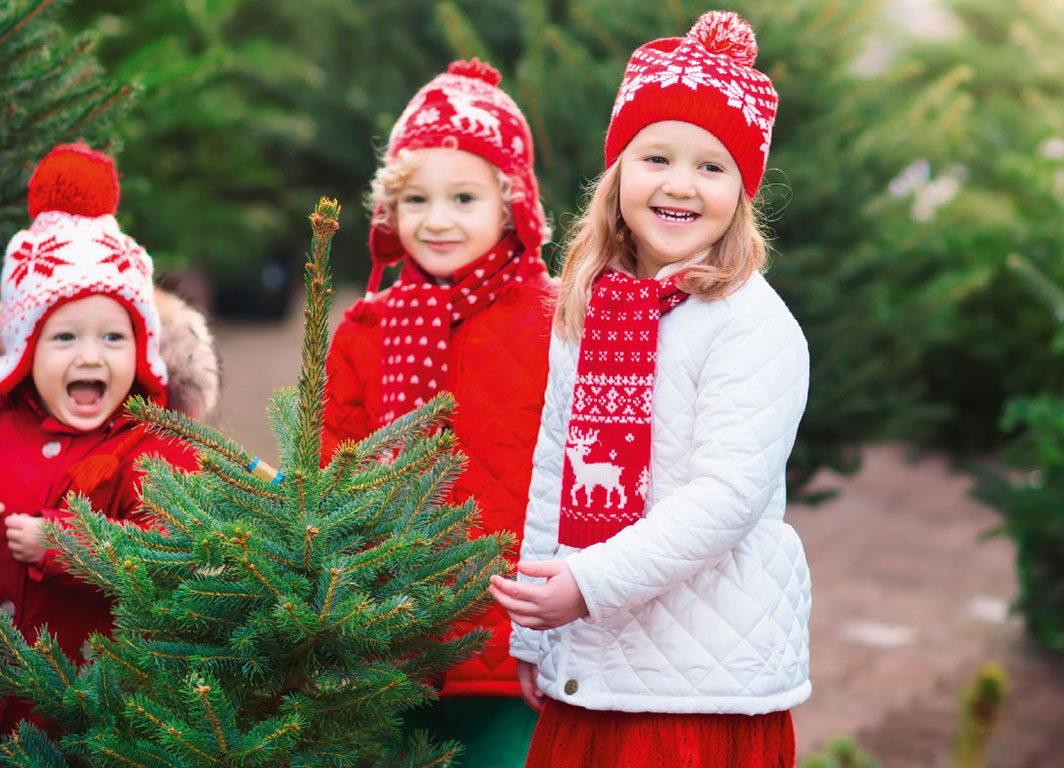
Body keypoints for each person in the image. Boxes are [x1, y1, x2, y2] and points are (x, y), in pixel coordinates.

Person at [488, 11, 811, 767]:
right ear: (618, 174)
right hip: (596, 666)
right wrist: (537, 628)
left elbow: (724, 501)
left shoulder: (749, 324)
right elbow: (553, 472)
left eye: (711, 166)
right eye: (656, 156)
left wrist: (586, 584)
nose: (679, 185)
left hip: (697, 691)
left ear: (742, 189)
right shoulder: (593, 305)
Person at [0, 143, 220, 743]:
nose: (90, 355)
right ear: (25, 350)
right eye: (64, 338)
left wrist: (70, 545)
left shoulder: (154, 443)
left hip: (87, 717)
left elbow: (176, 552)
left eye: (114, 336)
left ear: (142, 351)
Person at [322, 59, 556, 766]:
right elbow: (337, 479)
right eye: (417, 200)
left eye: (463, 197)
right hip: (390, 646)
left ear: (511, 204)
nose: (439, 220)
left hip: (511, 653)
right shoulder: (366, 333)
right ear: (390, 212)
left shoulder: (556, 325)